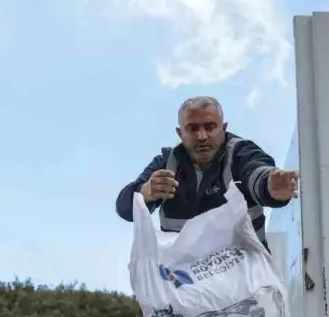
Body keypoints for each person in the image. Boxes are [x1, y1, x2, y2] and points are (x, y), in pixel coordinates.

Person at [115, 95, 300, 248]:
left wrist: (269, 185)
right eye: (192, 129)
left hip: (246, 283)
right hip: (186, 284)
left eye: (210, 127)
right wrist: (146, 193)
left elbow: (255, 171)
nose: (202, 136)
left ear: (224, 128)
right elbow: (124, 209)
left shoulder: (241, 153)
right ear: (180, 134)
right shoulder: (166, 164)